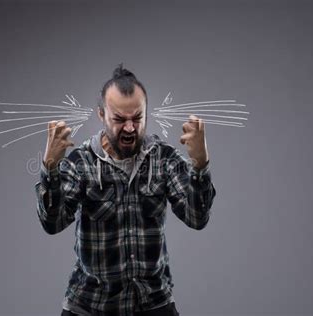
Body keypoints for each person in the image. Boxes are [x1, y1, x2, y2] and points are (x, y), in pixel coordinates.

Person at [35, 64, 216, 315]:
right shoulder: (81, 162)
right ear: (102, 115)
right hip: (91, 306)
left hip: (153, 303)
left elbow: (197, 218)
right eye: (119, 119)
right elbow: (52, 224)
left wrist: (200, 164)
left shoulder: (163, 159)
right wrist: (50, 169)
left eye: (137, 118)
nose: (130, 128)